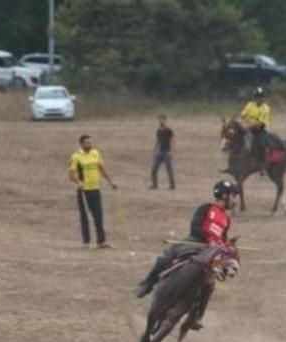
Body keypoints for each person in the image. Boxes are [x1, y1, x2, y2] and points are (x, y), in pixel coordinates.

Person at [135, 180, 239, 330]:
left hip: (210, 250)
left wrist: (226, 246)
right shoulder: (206, 208)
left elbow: (223, 237)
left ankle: (197, 316)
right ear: (224, 196)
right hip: (193, 241)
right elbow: (195, 227)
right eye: (233, 196)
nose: (234, 199)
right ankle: (148, 283)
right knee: (165, 259)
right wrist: (209, 240)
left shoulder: (226, 219)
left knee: (210, 282)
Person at [67, 134, 117, 248]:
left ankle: (101, 241)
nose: (90, 144)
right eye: (87, 143)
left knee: (98, 215)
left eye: (90, 142)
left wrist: (110, 181)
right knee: (84, 216)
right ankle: (86, 241)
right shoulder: (76, 157)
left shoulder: (95, 153)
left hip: (96, 189)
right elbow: (71, 174)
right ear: (81, 144)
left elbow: (101, 168)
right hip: (84, 191)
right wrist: (78, 182)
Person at [239, 86, 271, 173]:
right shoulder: (249, 105)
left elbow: (260, 123)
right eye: (257, 96)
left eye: (261, 97)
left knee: (263, 145)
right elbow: (242, 115)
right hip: (246, 128)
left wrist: (248, 127)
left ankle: (263, 165)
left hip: (259, 131)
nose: (259, 99)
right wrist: (240, 122)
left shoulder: (266, 108)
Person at [150, 114, 175, 189]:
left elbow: (172, 141)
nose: (161, 121)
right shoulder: (158, 131)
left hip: (167, 152)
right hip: (160, 152)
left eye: (163, 119)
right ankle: (154, 185)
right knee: (154, 169)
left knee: (169, 170)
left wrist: (172, 151)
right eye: (160, 119)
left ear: (165, 120)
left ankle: (172, 185)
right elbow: (158, 141)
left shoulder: (168, 130)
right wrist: (154, 150)